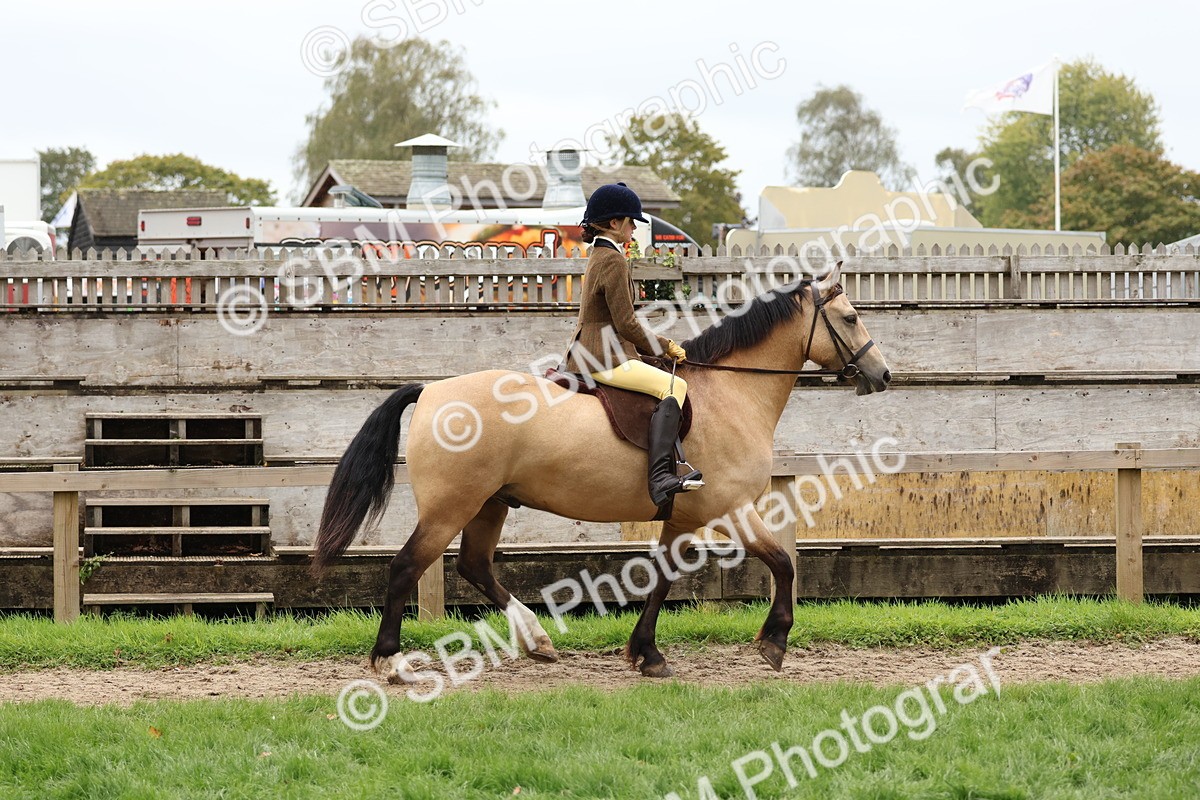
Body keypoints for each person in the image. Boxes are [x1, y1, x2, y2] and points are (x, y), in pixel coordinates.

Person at [563, 182, 703, 507]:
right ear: (614, 223)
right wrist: (665, 346)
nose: (633, 228)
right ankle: (660, 478)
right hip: (604, 356)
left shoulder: (600, 253)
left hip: (592, 350)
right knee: (675, 386)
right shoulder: (612, 260)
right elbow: (626, 323)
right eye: (631, 221)